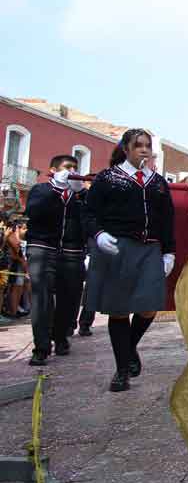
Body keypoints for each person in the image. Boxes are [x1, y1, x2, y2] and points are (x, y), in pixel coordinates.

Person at [82, 129, 176, 392]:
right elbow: (88, 213)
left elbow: (167, 219)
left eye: (147, 146)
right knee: (120, 310)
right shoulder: (108, 178)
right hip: (118, 247)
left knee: (149, 307)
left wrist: (169, 251)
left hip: (149, 249)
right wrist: (98, 236)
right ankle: (122, 370)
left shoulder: (157, 182)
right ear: (126, 148)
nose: (144, 150)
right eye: (138, 145)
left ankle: (129, 347)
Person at [25, 155, 88, 366]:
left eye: (75, 168)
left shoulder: (79, 196)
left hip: (72, 251)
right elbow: (34, 212)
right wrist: (57, 190)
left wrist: (83, 194)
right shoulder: (41, 190)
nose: (71, 171)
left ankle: (60, 337)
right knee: (41, 298)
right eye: (67, 167)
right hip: (43, 248)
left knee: (69, 298)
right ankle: (41, 347)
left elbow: (93, 217)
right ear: (53, 170)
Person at [5, 219, 28, 318]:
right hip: (15, 264)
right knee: (15, 288)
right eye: (23, 228)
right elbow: (17, 249)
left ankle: (15, 310)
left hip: (20, 265)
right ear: (17, 228)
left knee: (19, 288)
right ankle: (13, 311)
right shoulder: (11, 236)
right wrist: (17, 234)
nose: (26, 230)